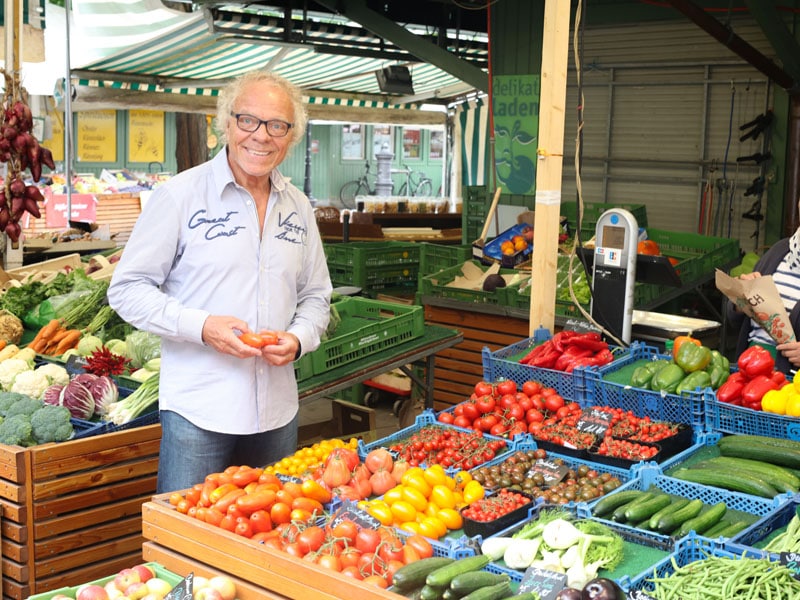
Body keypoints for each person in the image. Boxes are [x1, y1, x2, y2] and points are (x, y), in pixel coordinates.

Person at [108, 70, 332, 493]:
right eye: (248, 120)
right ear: (226, 122)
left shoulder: (298, 206)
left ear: (291, 136)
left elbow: (317, 294)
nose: (261, 136)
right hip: (199, 411)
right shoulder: (180, 196)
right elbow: (127, 289)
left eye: (277, 126)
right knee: (186, 544)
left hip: (276, 413)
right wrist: (202, 326)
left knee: (269, 543)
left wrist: (300, 338)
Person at [728, 217, 800, 376]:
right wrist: (741, 298)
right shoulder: (779, 251)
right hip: (748, 368)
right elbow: (736, 320)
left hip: (791, 385)